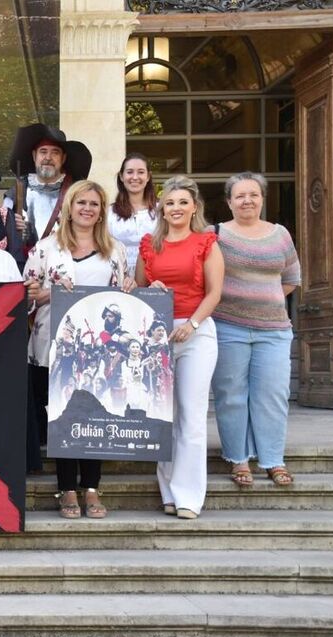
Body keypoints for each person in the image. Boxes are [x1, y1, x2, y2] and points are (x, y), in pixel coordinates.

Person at [23, 180, 134, 519]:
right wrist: (50, 291)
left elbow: (123, 299)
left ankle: (91, 488)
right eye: (81, 202)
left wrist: (129, 289)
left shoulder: (114, 251)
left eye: (95, 204)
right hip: (55, 347)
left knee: (95, 416)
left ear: (102, 212)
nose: (87, 208)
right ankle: (66, 488)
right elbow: (25, 295)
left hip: (98, 354)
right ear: (69, 207)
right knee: (64, 417)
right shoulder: (45, 249)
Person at [136, 175, 224, 520]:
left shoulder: (206, 242)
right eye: (169, 202)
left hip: (196, 333)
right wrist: (150, 287)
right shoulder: (149, 244)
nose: (176, 208)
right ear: (161, 207)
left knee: (191, 416)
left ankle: (189, 497)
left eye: (182, 202)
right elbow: (138, 290)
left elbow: (215, 292)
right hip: (158, 337)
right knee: (163, 417)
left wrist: (193, 325)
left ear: (194, 207)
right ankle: (169, 492)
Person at [210, 172, 301, 488]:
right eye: (240, 195)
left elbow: (291, 278)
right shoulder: (216, 234)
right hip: (227, 327)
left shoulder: (280, 235)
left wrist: (263, 298)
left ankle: (273, 460)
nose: (247, 200)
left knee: (273, 396)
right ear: (229, 201)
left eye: (253, 194)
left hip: (273, 330)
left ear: (262, 198)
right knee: (231, 396)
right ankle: (238, 460)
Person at [5, 123, 92, 243]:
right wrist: (11, 226)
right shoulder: (14, 195)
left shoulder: (77, 193)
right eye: (43, 151)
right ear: (34, 156)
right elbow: (0, 233)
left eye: (55, 152)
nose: (48, 157)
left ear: (63, 158)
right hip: (25, 260)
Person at [107, 153, 158, 276]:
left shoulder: (161, 210)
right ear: (121, 176)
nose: (135, 177)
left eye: (141, 172)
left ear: (148, 177)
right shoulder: (108, 212)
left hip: (154, 276)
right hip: (118, 277)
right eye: (129, 172)